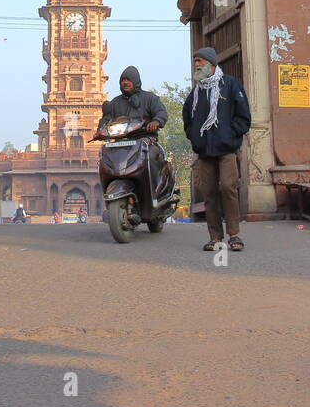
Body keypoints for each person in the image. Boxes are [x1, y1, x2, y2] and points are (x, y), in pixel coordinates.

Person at [182, 47, 251, 253]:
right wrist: (195, 137)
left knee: (228, 188)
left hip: (226, 149)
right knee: (209, 193)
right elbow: (187, 117)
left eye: (200, 61)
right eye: (195, 61)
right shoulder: (196, 93)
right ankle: (215, 237)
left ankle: (234, 234)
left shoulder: (230, 86)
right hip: (205, 152)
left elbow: (243, 116)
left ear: (212, 64)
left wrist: (231, 135)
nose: (196, 65)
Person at [99, 65, 168, 135]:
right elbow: (106, 120)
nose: (125, 82)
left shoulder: (150, 98)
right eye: (123, 80)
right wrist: (100, 131)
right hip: (120, 140)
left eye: (128, 80)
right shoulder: (115, 102)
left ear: (135, 81)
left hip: (145, 137)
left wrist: (156, 121)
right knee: (105, 146)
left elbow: (161, 112)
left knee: (146, 146)